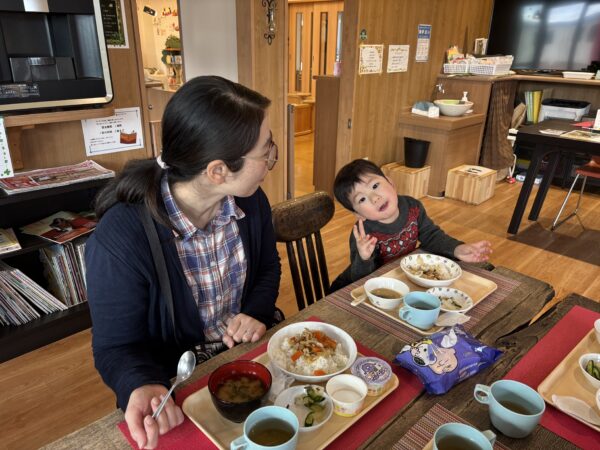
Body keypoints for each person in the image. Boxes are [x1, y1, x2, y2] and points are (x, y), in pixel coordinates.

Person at [85, 76, 282, 449]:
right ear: (218, 171)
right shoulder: (122, 239)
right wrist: (140, 384)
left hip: (250, 355)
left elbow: (268, 268)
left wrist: (255, 312)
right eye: (265, 149)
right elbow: (115, 347)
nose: (271, 156)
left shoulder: (250, 202)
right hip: (177, 383)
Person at [331, 159, 492, 289]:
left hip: (399, 279)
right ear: (358, 214)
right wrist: (364, 258)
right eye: (362, 199)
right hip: (350, 288)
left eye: (375, 186)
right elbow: (360, 280)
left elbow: (431, 236)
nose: (374, 198)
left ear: (390, 182)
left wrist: (457, 249)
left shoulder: (412, 207)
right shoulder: (363, 235)